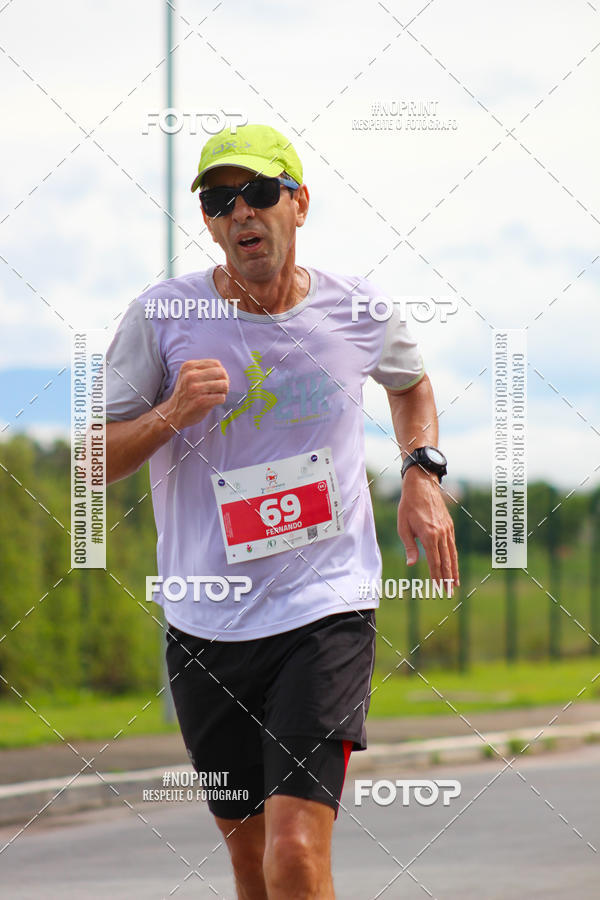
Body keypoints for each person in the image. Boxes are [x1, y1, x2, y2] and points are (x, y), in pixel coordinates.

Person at [105, 122, 459, 899]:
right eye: (219, 200)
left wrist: (422, 472)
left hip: (325, 609)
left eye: (259, 193)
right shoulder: (161, 317)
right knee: (252, 862)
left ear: (299, 203)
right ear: (207, 220)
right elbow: (93, 460)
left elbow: (411, 383)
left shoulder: (356, 310)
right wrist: (170, 414)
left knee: (295, 853)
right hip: (209, 623)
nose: (241, 213)